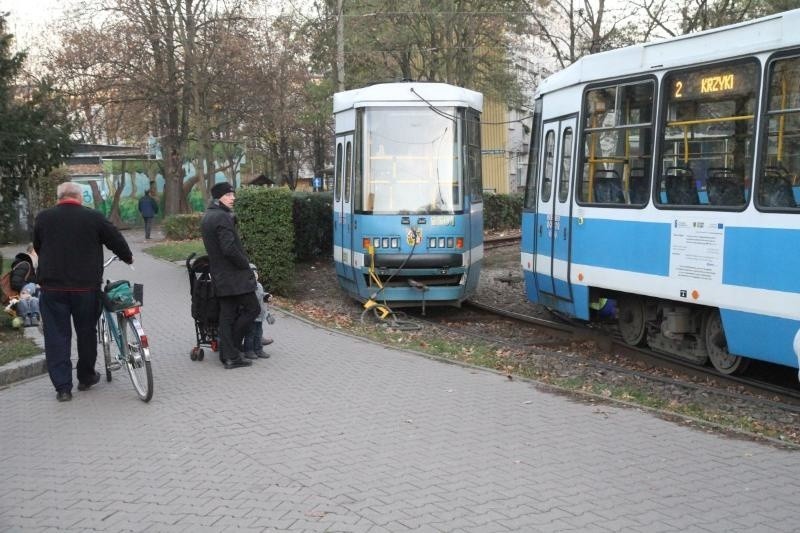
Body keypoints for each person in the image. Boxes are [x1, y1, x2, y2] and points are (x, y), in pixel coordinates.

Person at [34, 182, 134, 402]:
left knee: (57, 336)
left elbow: (38, 245)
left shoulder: (44, 217)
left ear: (59, 197)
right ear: (79, 197)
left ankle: (62, 388)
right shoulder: (93, 217)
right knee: (87, 332)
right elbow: (114, 238)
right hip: (85, 287)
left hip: (52, 288)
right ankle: (86, 377)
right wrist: (127, 257)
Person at [200, 181, 259, 369]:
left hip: (220, 275)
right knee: (252, 309)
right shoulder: (222, 218)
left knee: (227, 315)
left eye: (233, 194)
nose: (233, 198)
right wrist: (246, 266)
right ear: (219, 197)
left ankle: (228, 355)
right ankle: (231, 350)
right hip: (234, 276)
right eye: (229, 195)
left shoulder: (208, 216)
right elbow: (229, 249)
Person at [241, 263, 273, 360]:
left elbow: (262, 295)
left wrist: (267, 296)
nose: (255, 274)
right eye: (252, 272)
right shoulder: (247, 286)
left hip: (260, 316)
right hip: (252, 316)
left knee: (258, 334)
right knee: (250, 334)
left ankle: (258, 349)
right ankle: (249, 351)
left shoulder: (259, 285)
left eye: (256, 272)